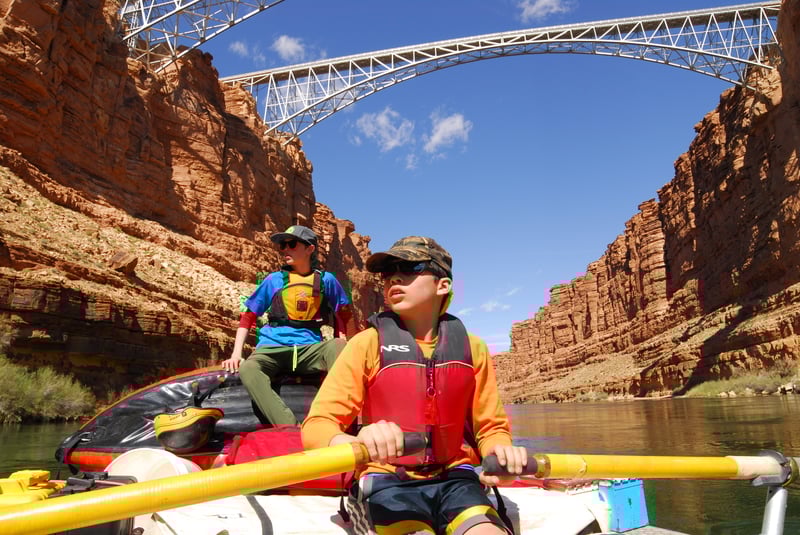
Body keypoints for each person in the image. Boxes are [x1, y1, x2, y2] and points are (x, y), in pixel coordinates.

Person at [301, 236, 527, 535]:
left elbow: (490, 428)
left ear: (442, 284)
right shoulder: (366, 344)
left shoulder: (474, 348)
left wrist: (501, 453)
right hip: (385, 480)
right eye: (388, 272)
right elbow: (317, 426)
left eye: (409, 268)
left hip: (455, 478)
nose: (394, 278)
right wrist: (358, 442)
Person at [222, 225, 355, 426]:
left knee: (338, 346)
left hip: (309, 349)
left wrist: (351, 344)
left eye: (291, 244)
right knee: (249, 369)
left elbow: (345, 315)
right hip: (272, 348)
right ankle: (289, 426)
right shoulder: (273, 280)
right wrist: (236, 354)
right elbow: (248, 317)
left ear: (310, 249)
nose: (285, 249)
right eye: (282, 245)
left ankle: (331, 420)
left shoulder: (327, 280)